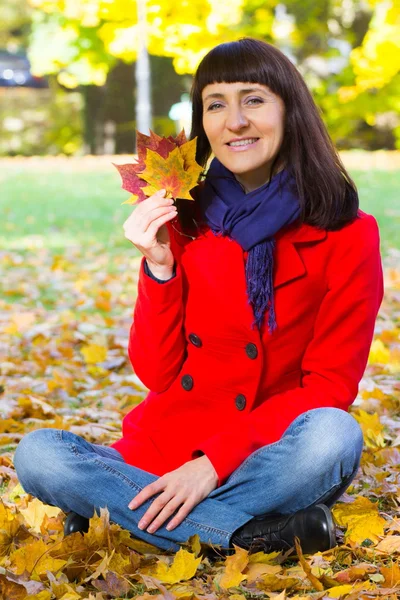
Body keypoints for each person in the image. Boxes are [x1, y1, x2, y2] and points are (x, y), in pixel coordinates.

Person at [14, 38, 384, 556]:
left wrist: (210, 466)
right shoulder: (184, 218)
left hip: (262, 452)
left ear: (290, 110)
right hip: (166, 445)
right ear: (203, 122)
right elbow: (157, 374)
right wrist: (159, 269)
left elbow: (329, 386)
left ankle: (130, 515)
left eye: (253, 99)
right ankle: (246, 535)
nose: (235, 121)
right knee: (38, 455)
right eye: (216, 104)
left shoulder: (347, 233)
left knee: (334, 435)